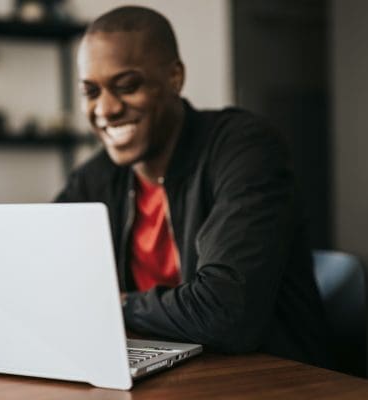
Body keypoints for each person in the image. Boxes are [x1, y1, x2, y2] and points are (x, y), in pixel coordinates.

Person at [56, 6, 330, 367]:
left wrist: (117, 303)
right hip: (170, 370)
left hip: (269, 378)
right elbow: (46, 275)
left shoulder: (245, 149)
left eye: (127, 86)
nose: (105, 109)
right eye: (91, 92)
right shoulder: (98, 177)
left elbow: (224, 313)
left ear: (175, 77)